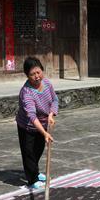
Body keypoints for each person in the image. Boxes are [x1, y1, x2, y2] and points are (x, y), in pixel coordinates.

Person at [16, 57, 58, 190]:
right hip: (27, 125)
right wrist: (45, 132)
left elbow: (54, 100)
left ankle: (36, 172)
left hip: (44, 122)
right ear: (27, 76)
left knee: (38, 150)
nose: (36, 77)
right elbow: (32, 117)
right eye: (32, 74)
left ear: (42, 71)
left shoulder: (47, 83)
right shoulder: (26, 92)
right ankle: (32, 179)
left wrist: (51, 114)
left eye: (38, 72)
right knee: (28, 152)